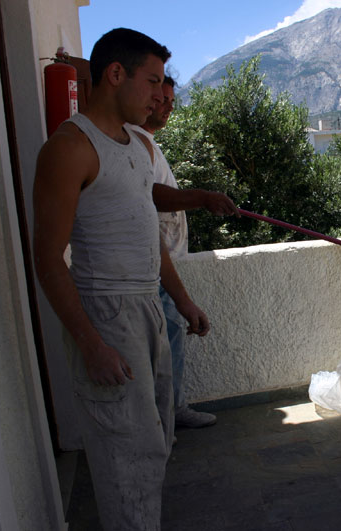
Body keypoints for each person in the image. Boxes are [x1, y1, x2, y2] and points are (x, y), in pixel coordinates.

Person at [33, 28, 208, 530]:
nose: (159, 95)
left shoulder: (136, 146)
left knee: (155, 442)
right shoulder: (70, 148)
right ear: (115, 74)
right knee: (125, 455)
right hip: (107, 314)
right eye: (152, 81)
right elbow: (47, 259)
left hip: (147, 308)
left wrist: (183, 301)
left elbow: (147, 235)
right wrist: (91, 345)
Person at [130, 76, 238, 429]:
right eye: (161, 99)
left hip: (164, 266)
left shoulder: (146, 142)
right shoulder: (134, 140)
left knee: (170, 341)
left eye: (171, 101)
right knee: (163, 346)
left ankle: (171, 414)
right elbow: (150, 194)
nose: (167, 107)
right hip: (153, 270)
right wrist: (203, 198)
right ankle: (167, 419)